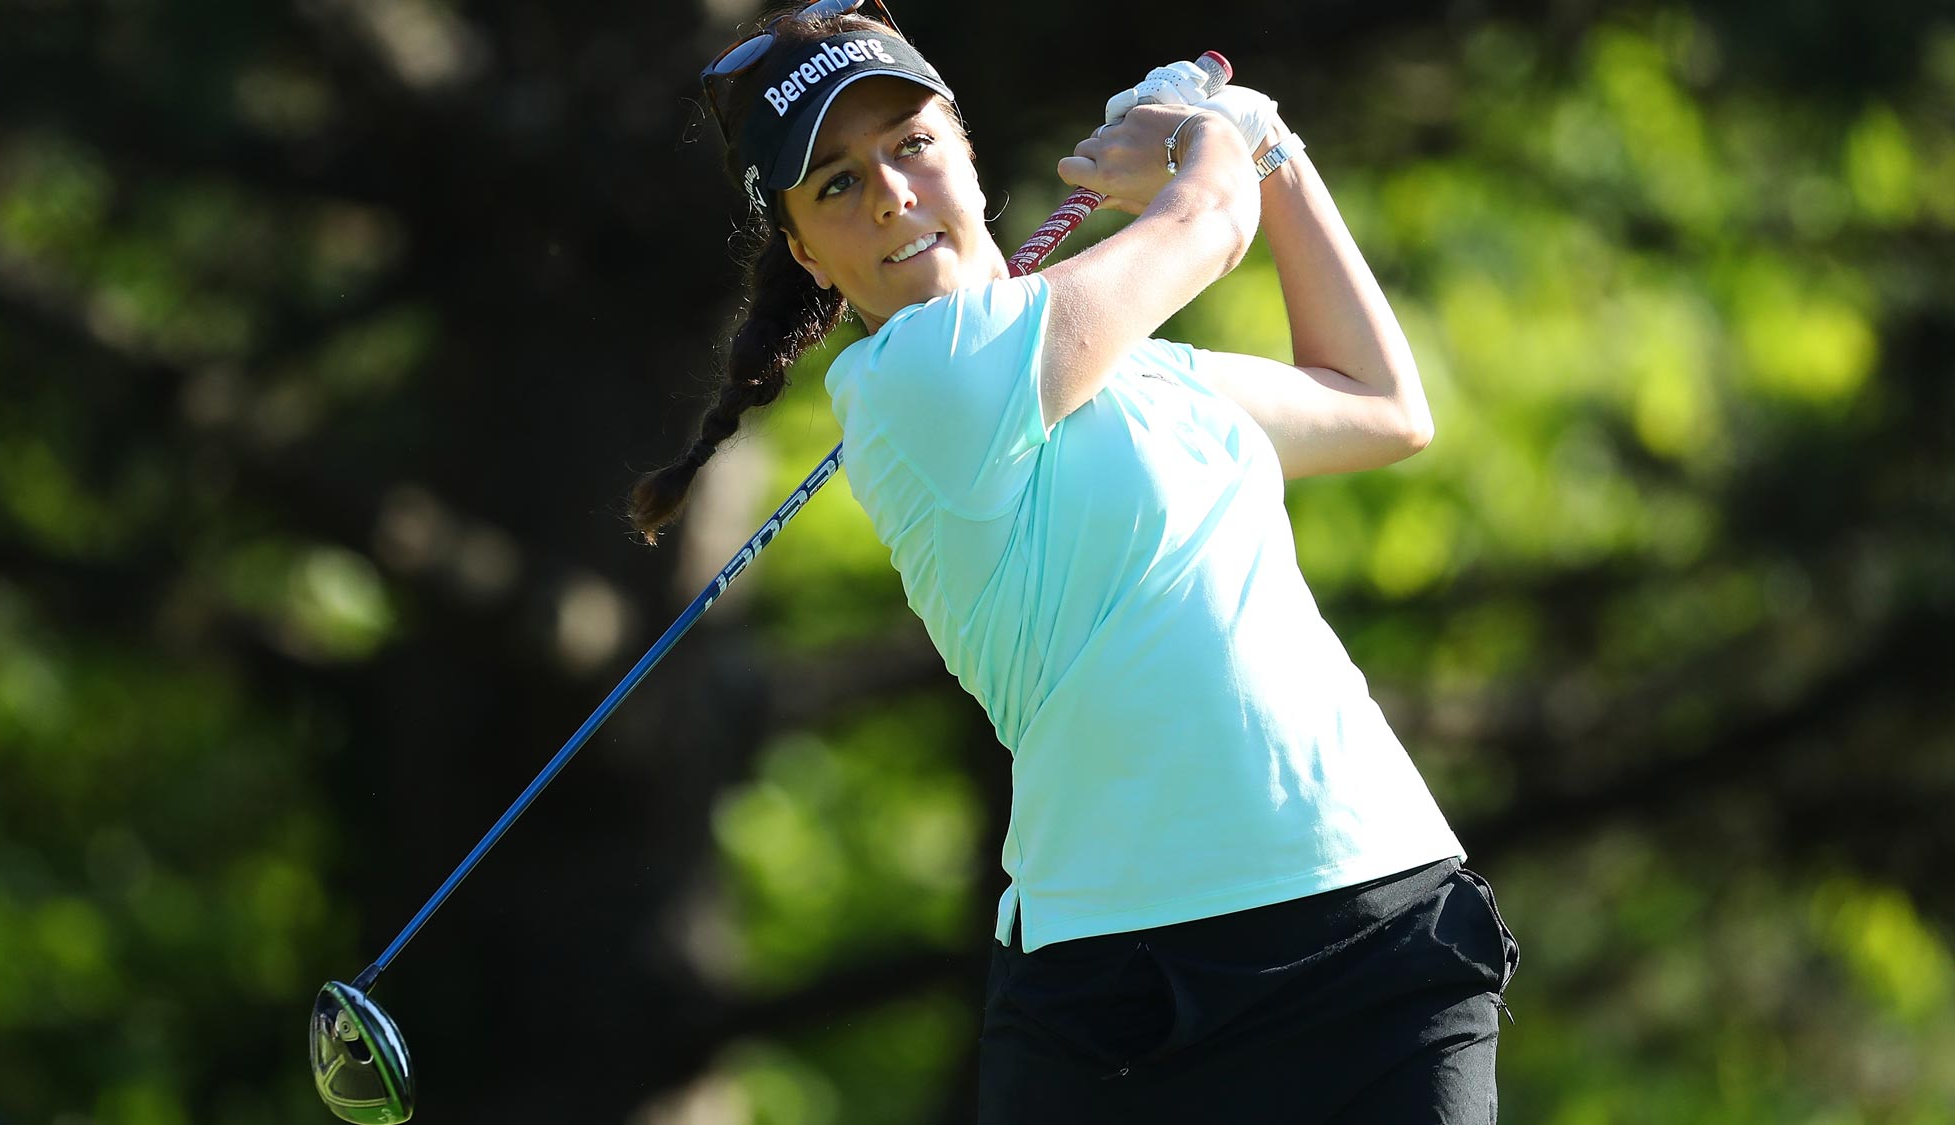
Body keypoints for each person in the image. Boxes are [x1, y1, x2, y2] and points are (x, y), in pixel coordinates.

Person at [633, 1, 1520, 1120]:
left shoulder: (1148, 375)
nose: (894, 193)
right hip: (1120, 999)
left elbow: (1381, 406)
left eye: (910, 145)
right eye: (838, 183)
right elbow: (1204, 227)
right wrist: (1202, 137)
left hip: (1373, 923)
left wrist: (1269, 145)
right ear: (805, 251)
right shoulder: (910, 387)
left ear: (963, 147)